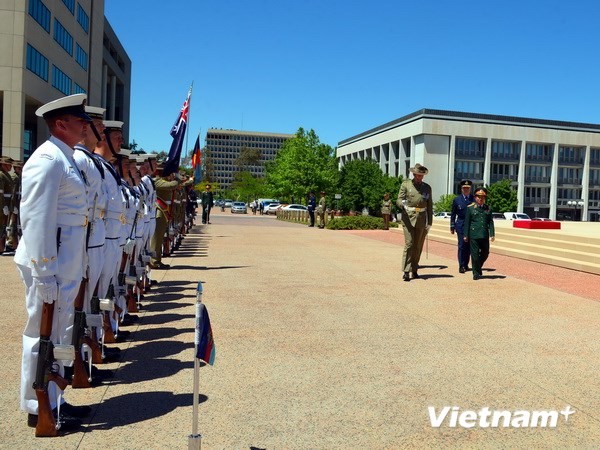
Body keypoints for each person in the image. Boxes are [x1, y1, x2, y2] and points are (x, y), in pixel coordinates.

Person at [14, 93, 92, 431]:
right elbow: (36, 218)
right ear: (61, 124)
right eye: (80, 121)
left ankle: (54, 402)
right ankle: (36, 407)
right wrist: (44, 271)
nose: (86, 126)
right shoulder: (47, 159)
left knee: (58, 333)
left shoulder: (66, 157)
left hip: (65, 260)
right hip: (51, 262)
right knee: (40, 333)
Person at [397, 163, 433, 281]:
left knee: (418, 245)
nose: (420, 177)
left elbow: (429, 205)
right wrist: (402, 205)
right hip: (408, 217)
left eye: (421, 175)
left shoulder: (427, 187)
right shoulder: (406, 184)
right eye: (418, 175)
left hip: (421, 219)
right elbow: (399, 199)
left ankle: (414, 269)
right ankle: (406, 271)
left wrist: (430, 222)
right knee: (409, 243)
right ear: (414, 174)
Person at [463, 187, 495, 280]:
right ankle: (476, 273)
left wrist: (492, 234)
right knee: (475, 255)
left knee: (485, 253)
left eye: (483, 197)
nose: (481, 199)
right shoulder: (471, 208)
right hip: (474, 235)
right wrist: (466, 235)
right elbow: (467, 222)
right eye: (478, 197)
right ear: (475, 197)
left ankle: (477, 267)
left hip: (484, 234)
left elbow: (490, 222)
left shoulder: (488, 208)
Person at [450, 179, 475, 273]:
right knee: (461, 246)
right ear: (461, 189)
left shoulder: (473, 199)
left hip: (471, 226)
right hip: (460, 225)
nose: (466, 190)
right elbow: (453, 214)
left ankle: (466, 264)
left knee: (468, 246)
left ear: (470, 189)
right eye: (464, 188)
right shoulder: (457, 200)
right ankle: (461, 265)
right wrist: (452, 226)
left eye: (467, 188)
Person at [0, 156, 14, 254]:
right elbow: (0, 192)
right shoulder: (1, 175)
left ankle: (2, 246)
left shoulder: (6, 175)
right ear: (4, 165)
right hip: (2, 205)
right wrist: (3, 205)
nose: (11, 167)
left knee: (4, 226)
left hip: (7, 204)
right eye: (9, 165)